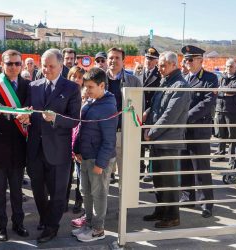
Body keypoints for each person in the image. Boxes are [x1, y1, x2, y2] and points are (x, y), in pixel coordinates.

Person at [16, 48, 81, 243]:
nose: (47, 70)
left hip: (58, 150)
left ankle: (52, 226)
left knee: (58, 192)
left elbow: (75, 120)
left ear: (61, 66)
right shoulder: (33, 86)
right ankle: (45, 219)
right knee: (38, 190)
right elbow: (28, 110)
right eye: (44, 66)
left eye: (51, 66)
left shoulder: (71, 88)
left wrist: (56, 119)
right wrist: (25, 117)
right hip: (35, 148)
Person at [0, 49, 30, 241]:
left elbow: (31, 106)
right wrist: (17, 111)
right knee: (0, 192)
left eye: (17, 63)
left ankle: (18, 224)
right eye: (9, 63)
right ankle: (1, 228)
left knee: (18, 192)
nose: (13, 67)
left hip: (19, 145)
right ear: (2, 64)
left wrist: (27, 113)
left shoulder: (27, 85)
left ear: (21, 65)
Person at [141, 51, 191, 228]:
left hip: (168, 141)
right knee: (158, 179)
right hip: (158, 140)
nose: (159, 68)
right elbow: (155, 104)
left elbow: (170, 115)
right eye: (159, 65)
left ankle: (172, 216)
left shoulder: (180, 85)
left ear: (173, 65)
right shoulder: (166, 81)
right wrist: (146, 114)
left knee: (168, 180)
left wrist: (151, 132)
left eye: (163, 65)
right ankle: (161, 210)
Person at [72, 67, 118, 242]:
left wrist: (101, 164)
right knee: (86, 192)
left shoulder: (107, 107)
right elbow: (81, 128)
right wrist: (76, 149)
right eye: (85, 86)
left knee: (98, 195)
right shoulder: (91, 102)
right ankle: (89, 225)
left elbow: (109, 140)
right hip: (85, 156)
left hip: (97, 160)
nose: (86, 90)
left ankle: (98, 229)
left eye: (90, 87)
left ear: (101, 85)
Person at [179, 45, 218, 218]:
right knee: (184, 164)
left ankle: (206, 203)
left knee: (201, 166)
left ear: (201, 60)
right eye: (185, 59)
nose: (187, 62)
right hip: (183, 129)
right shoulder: (183, 78)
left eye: (190, 59)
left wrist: (185, 116)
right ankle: (187, 197)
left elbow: (207, 102)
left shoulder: (209, 78)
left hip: (199, 128)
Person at [105, 47, 142, 184]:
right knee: (104, 176)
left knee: (125, 175)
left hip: (124, 134)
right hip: (104, 134)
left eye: (117, 58)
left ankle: (123, 206)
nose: (113, 61)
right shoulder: (98, 78)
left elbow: (138, 109)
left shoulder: (134, 81)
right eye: (111, 58)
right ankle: (103, 205)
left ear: (123, 60)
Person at [212, 58, 236, 162]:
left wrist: (222, 90)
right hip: (220, 109)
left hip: (232, 111)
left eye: (231, 66)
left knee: (232, 135)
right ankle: (221, 154)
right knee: (221, 134)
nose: (228, 68)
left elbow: (233, 90)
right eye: (227, 66)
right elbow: (215, 91)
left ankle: (232, 156)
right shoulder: (222, 77)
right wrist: (224, 91)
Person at [66, 66, 86, 214]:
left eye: (80, 77)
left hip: (80, 139)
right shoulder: (64, 93)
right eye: (74, 76)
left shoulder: (87, 94)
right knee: (66, 174)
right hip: (66, 137)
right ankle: (64, 200)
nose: (76, 79)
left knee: (80, 174)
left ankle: (79, 201)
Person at [140, 47, 162, 182]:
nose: (149, 61)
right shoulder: (138, 74)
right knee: (139, 143)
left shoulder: (159, 76)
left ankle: (151, 171)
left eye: (152, 59)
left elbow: (157, 98)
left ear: (156, 61)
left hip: (151, 113)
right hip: (138, 114)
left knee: (151, 143)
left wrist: (147, 111)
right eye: (147, 58)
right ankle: (140, 168)